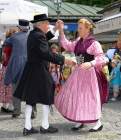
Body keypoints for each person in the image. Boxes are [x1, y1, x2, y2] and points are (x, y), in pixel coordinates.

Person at [13, 14, 72, 136]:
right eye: (46, 23)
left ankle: (27, 127)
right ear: (40, 24)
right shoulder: (38, 36)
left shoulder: (34, 34)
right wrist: (64, 60)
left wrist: (55, 29)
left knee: (31, 98)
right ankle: (44, 126)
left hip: (31, 70)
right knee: (47, 95)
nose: (48, 25)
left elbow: (44, 39)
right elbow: (46, 53)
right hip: (39, 70)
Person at [55, 19, 108, 132]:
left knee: (90, 97)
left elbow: (102, 58)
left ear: (88, 29)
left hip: (90, 75)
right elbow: (67, 45)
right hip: (78, 73)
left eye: (80, 28)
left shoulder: (94, 43)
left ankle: (98, 122)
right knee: (78, 97)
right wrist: (61, 31)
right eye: (78, 28)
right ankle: (80, 119)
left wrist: (90, 63)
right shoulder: (79, 41)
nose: (78, 30)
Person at [4, 19, 30, 118]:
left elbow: (6, 41)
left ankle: (16, 111)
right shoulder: (31, 36)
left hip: (16, 66)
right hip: (29, 65)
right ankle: (32, 112)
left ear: (19, 28)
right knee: (29, 89)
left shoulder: (14, 37)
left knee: (15, 88)